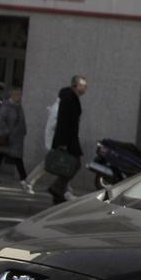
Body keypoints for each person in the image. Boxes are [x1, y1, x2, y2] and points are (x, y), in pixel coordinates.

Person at [47, 75, 88, 204]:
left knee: (71, 165)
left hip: (70, 138)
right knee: (74, 164)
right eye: (83, 85)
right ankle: (56, 189)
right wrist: (62, 143)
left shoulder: (72, 98)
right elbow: (63, 122)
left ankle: (57, 191)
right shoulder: (68, 99)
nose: (85, 88)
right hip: (67, 139)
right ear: (75, 85)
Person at [0, 87, 27, 184]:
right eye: (18, 94)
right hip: (7, 137)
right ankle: (24, 179)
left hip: (16, 137)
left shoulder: (18, 106)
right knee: (2, 155)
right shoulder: (6, 107)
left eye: (20, 94)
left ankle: (24, 179)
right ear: (12, 95)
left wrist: (23, 131)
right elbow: (0, 120)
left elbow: (21, 120)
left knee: (16, 156)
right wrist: (6, 131)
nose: (20, 97)